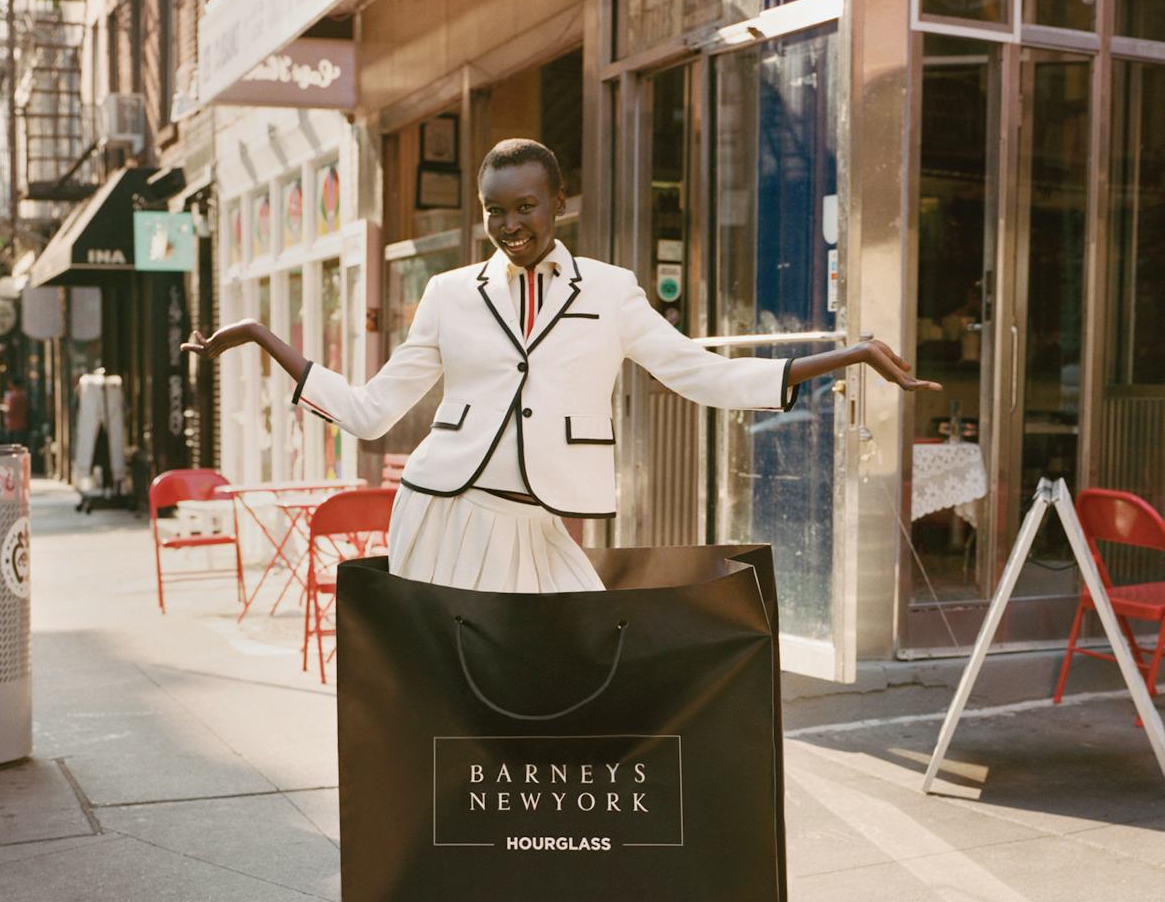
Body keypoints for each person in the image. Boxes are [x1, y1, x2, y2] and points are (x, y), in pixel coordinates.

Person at [185, 138, 941, 592]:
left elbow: (700, 373)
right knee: (459, 695)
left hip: (540, 522)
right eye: (494, 211)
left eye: (525, 207)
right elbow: (373, 412)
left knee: (569, 670)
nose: (510, 225)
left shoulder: (610, 292)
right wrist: (259, 335)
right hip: (445, 513)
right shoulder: (450, 295)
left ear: (559, 204)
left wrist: (847, 355)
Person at [3, 377, 31, 446]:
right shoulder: (24, 395)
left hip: (14, 425)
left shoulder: (13, 397)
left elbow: (11, 411)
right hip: (22, 424)